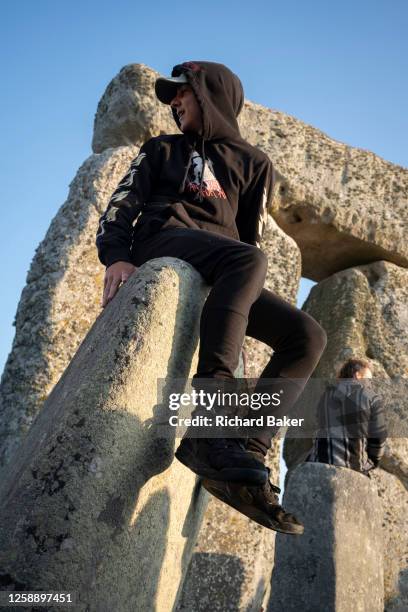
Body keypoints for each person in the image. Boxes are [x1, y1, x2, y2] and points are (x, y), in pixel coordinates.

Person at [95, 60, 327, 534]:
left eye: (182, 93)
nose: (174, 103)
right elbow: (121, 206)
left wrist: (237, 312)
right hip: (164, 240)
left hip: (224, 265)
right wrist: (116, 256)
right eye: (171, 98)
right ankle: (210, 418)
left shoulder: (255, 164)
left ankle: (247, 450)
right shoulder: (161, 149)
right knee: (246, 263)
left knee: (307, 336)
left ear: (211, 96)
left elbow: (250, 241)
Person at [305, 358, 387, 476]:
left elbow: (316, 431)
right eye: (369, 379)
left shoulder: (324, 397)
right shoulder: (371, 397)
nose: (370, 383)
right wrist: (372, 462)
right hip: (354, 469)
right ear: (358, 375)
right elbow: (379, 437)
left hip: (320, 464)